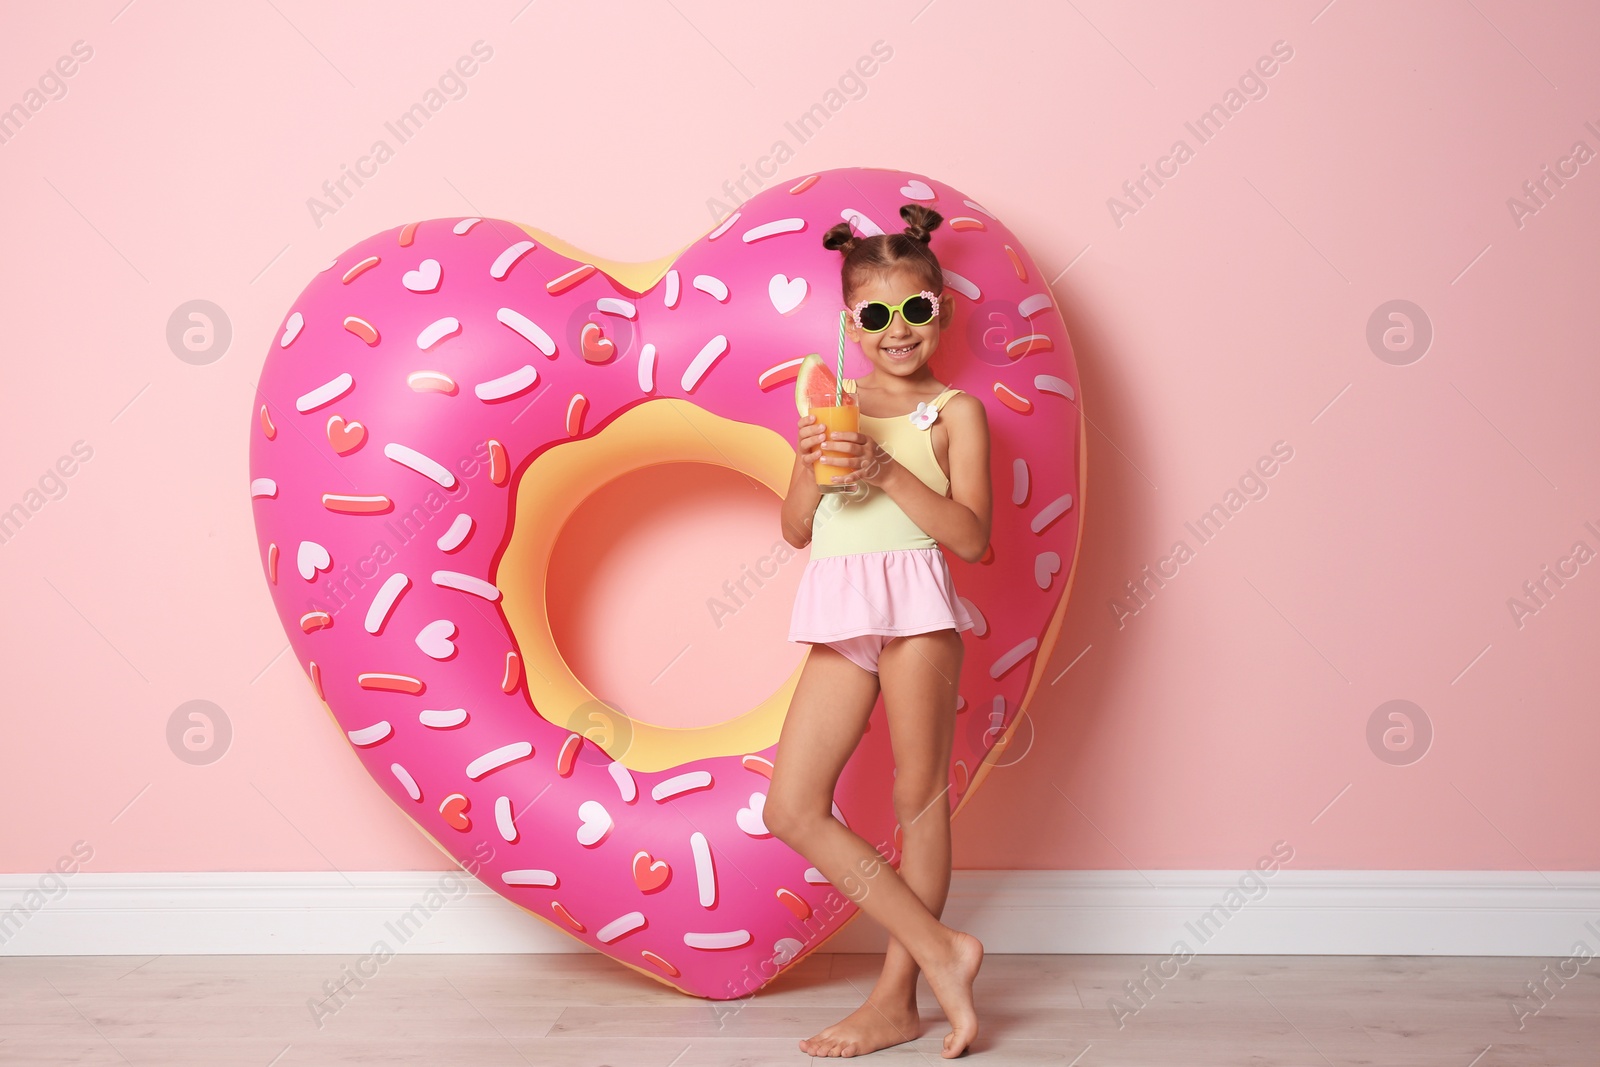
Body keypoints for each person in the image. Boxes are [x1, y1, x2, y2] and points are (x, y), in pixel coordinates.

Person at [766, 203, 993, 1059]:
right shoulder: (837, 403)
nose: (898, 331)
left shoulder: (955, 411)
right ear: (850, 326)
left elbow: (974, 537)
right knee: (791, 805)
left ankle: (897, 997)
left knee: (916, 799)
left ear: (941, 308)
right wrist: (809, 462)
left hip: (920, 613)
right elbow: (795, 530)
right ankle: (946, 951)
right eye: (876, 316)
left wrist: (890, 470)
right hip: (842, 614)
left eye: (916, 310)